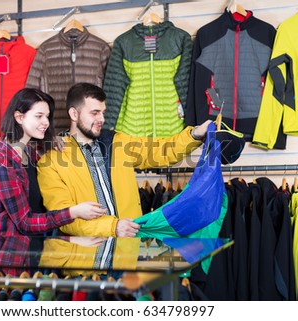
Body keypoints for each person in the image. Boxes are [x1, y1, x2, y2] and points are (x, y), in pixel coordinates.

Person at [37, 83, 211, 237]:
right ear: (74, 114)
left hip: (126, 256)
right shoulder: (52, 159)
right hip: (85, 265)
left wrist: (194, 134)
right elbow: (62, 216)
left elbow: (162, 150)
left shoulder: (117, 142)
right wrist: (113, 227)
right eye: (95, 113)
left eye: (103, 112)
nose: (102, 119)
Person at [0, 87, 106, 239]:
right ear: (19, 117)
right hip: (8, 252)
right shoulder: (1, 163)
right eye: (39, 116)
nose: (46, 122)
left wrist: (52, 141)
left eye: (47, 116)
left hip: (33, 248)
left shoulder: (28, 152)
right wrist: (74, 212)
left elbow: (39, 208)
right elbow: (25, 223)